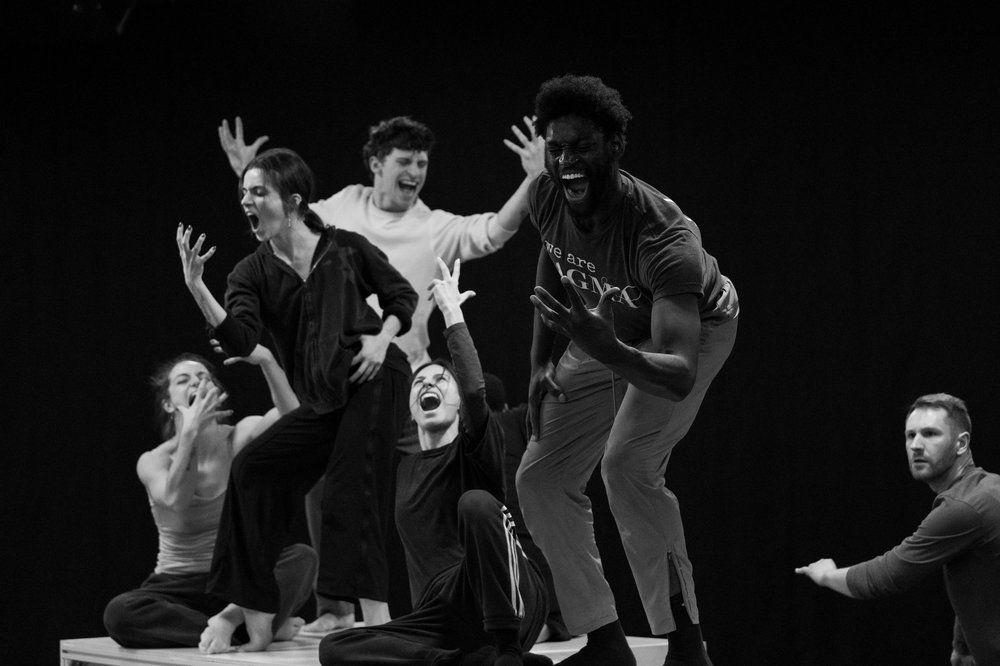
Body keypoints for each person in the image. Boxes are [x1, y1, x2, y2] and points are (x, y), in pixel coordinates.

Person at [219, 115, 544, 632]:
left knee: (419, 501)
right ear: (376, 165)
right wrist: (252, 177)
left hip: (408, 385)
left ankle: (451, 606)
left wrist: (532, 179)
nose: (415, 171)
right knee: (327, 486)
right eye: (405, 162)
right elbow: (288, 213)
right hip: (341, 380)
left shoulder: (435, 226)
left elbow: (494, 232)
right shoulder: (341, 208)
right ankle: (333, 608)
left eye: (422, 163)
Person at [516, 74, 739, 666]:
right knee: (539, 479)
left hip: (689, 335)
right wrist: (541, 361)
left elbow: (678, 373)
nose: (565, 162)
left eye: (581, 147)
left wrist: (607, 349)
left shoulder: (663, 235)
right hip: (606, 325)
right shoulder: (547, 193)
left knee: (627, 467)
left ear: (614, 145)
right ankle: (604, 640)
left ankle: (686, 644)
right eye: (555, 147)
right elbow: (553, 254)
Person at [176, 146, 417, 651]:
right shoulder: (250, 272)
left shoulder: (346, 248)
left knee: (355, 478)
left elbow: (401, 298)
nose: (246, 200)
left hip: (374, 373)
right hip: (325, 397)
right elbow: (241, 339)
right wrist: (198, 288)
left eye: (258, 191)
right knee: (253, 467)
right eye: (243, 191)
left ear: (293, 201)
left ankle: (374, 611)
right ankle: (256, 604)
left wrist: (381, 337)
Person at [319, 259, 551, 666]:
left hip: (506, 599)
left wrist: (451, 312)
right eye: (419, 383)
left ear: (459, 402)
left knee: (476, 502)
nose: (428, 383)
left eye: (441, 381)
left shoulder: (472, 447)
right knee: (336, 647)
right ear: (411, 408)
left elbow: (477, 392)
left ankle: (508, 652)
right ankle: (465, 664)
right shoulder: (405, 468)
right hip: (445, 615)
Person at [102, 347, 317, 652]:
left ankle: (230, 621)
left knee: (302, 558)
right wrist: (190, 432)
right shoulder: (153, 461)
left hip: (233, 582)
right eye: (184, 380)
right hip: (176, 587)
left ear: (218, 393)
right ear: (167, 403)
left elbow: (293, 417)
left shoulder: (238, 437)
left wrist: (267, 361)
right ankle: (248, 629)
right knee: (119, 614)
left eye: (204, 377)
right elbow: (176, 499)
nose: (196, 384)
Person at [796, 393, 1000, 666]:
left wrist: (826, 575)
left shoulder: (963, 508)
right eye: (910, 435)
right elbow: (982, 575)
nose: (916, 445)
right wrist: (963, 644)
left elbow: (884, 576)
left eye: (930, 434)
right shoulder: (986, 490)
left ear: (961, 443)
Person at [483, 372, 571, 644]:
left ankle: (541, 625)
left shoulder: (467, 435)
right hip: (527, 539)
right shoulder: (512, 420)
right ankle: (546, 624)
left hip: (501, 544)